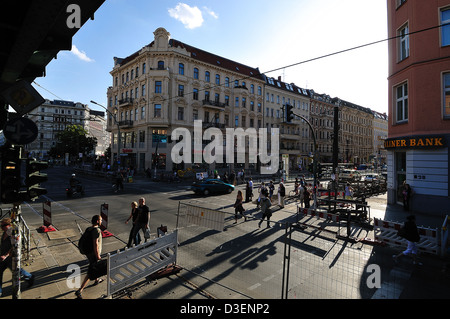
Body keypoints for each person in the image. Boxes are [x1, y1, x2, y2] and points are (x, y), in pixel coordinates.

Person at [0, 218, 34, 297]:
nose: (1, 227)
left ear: (9, 225)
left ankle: (29, 277)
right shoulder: (5, 233)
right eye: (1, 226)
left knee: (17, 271)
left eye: (3, 225)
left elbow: (14, 247)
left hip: (9, 258)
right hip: (2, 258)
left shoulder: (12, 233)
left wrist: (5, 256)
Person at [75, 215, 103, 299]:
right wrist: (97, 255)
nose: (102, 221)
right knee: (91, 272)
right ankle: (80, 290)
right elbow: (95, 244)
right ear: (97, 221)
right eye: (101, 220)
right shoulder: (97, 230)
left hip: (88, 252)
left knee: (95, 268)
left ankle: (96, 280)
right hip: (93, 253)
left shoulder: (89, 229)